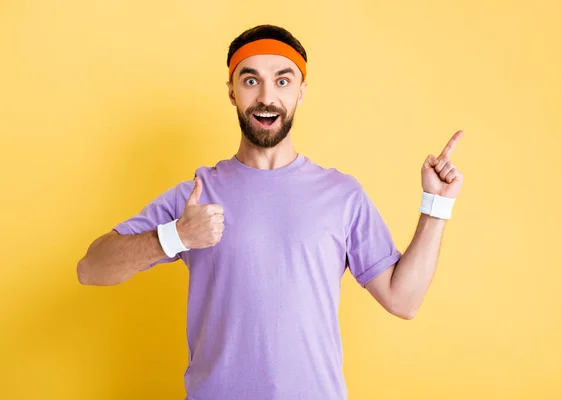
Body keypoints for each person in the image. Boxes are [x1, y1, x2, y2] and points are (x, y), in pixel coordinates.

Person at [77, 24, 465, 400]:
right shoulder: (197, 194)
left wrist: (437, 204)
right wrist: (176, 236)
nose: (266, 97)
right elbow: (91, 269)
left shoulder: (342, 195)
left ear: (301, 92)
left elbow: (404, 300)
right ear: (231, 92)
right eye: (250, 81)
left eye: (282, 81)